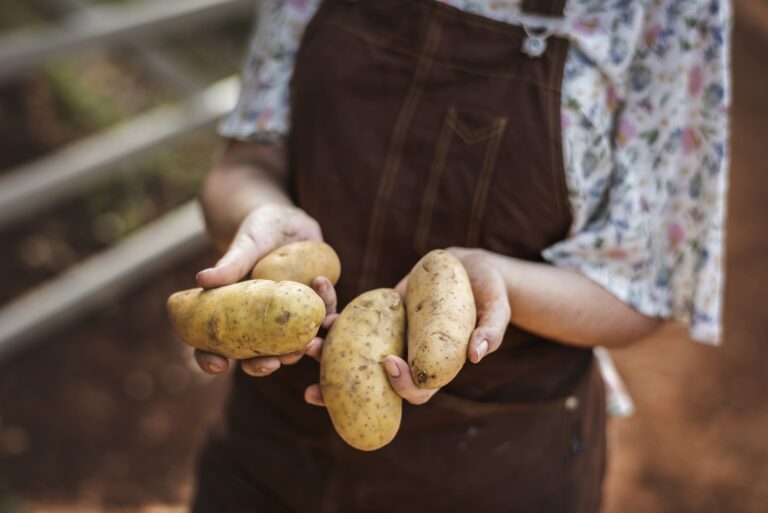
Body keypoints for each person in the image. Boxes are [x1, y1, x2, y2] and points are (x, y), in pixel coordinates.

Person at [189, 1, 730, 512]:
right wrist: (257, 218)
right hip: (273, 445)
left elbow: (641, 290)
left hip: (498, 471)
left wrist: (501, 283)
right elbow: (245, 161)